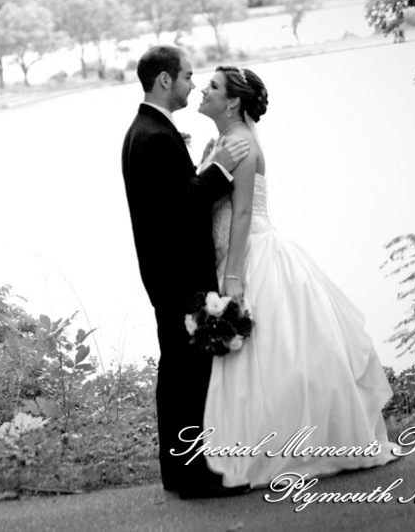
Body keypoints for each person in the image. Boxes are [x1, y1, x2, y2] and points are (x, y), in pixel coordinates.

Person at [194, 65, 399, 489]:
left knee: (276, 355)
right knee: (262, 361)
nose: (204, 89)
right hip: (234, 254)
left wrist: (233, 276)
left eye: (212, 86)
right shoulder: (228, 142)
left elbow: (245, 212)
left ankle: (283, 452)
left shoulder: (242, 144)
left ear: (232, 101)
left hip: (251, 258)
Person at [121, 46, 250, 499]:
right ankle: (195, 477)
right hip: (178, 275)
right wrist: (219, 170)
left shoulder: (146, 129)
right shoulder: (153, 136)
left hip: (165, 272)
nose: (193, 85)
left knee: (176, 374)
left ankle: (179, 473)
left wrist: (202, 169)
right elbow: (177, 207)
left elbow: (168, 197)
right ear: (164, 81)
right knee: (190, 377)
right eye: (188, 77)